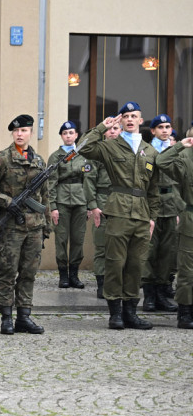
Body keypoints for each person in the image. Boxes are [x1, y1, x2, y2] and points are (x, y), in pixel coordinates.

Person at [77, 104, 158, 330]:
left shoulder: (150, 152)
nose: (130, 119)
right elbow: (82, 147)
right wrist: (102, 126)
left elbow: (154, 189)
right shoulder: (110, 147)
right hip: (118, 210)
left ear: (141, 121)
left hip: (142, 215)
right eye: (127, 117)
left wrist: (153, 217)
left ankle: (131, 313)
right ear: (121, 122)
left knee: (136, 265)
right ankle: (115, 314)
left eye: (134, 116)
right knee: (115, 263)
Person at [0, 114, 50, 335]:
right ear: (12, 133)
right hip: (10, 227)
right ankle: (6, 317)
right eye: (16, 131)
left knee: (29, 272)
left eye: (24, 130)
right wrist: (6, 201)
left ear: (31, 133)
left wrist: (46, 226)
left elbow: (45, 195)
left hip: (34, 225)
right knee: (7, 272)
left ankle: (24, 317)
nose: (20, 134)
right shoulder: (3, 159)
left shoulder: (38, 161)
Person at [153, 128, 193, 329]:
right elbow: (161, 162)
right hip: (191, 218)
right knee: (187, 269)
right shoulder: (185, 157)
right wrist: (179, 145)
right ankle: (185, 312)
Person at [46, 121, 94, 289]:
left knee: (78, 239)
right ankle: (63, 275)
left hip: (81, 201)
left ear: (76, 135)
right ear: (61, 136)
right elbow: (51, 183)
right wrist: (53, 206)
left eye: (71, 133)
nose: (68, 136)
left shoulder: (84, 156)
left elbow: (89, 180)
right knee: (61, 239)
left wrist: (89, 205)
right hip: (62, 201)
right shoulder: (55, 157)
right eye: (65, 133)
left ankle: (74, 274)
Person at [141, 114, 180, 312]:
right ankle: (149, 294)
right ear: (153, 131)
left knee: (168, 251)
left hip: (172, 204)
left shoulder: (176, 150)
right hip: (152, 204)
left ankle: (162, 292)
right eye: (161, 127)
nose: (165, 130)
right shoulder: (147, 150)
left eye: (168, 127)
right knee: (150, 250)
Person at [88, 121, 119, 299]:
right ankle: (101, 283)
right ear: (104, 133)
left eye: (116, 128)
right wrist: (93, 206)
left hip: (121, 202)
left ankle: (116, 283)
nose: (113, 131)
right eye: (110, 129)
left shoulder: (127, 150)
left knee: (120, 247)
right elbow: (89, 180)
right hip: (102, 201)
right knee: (101, 246)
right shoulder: (98, 152)